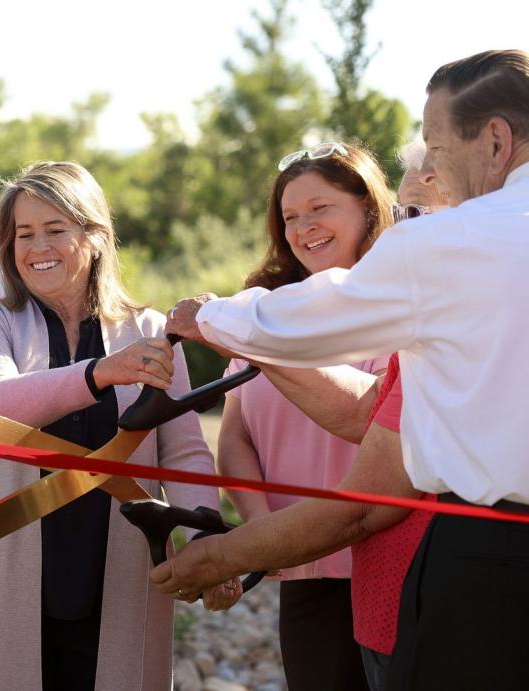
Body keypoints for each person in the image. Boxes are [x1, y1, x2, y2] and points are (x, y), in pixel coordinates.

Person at [157, 49, 529, 690]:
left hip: (492, 560)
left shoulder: (456, 241)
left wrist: (210, 317)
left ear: (495, 140)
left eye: (436, 147)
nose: (431, 168)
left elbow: (310, 322)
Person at [0, 161, 231, 691]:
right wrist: (99, 373)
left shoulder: (150, 330)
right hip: (11, 567)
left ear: (94, 237)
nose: (37, 246)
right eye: (24, 234)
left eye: (55, 229)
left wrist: (207, 538)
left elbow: (182, 452)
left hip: (121, 565)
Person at [216, 141, 392, 691]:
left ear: (366, 206)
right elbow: (235, 434)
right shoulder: (257, 312)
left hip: (389, 565)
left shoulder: (406, 303)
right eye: (290, 216)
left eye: (320, 208)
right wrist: (264, 530)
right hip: (303, 571)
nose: (303, 227)